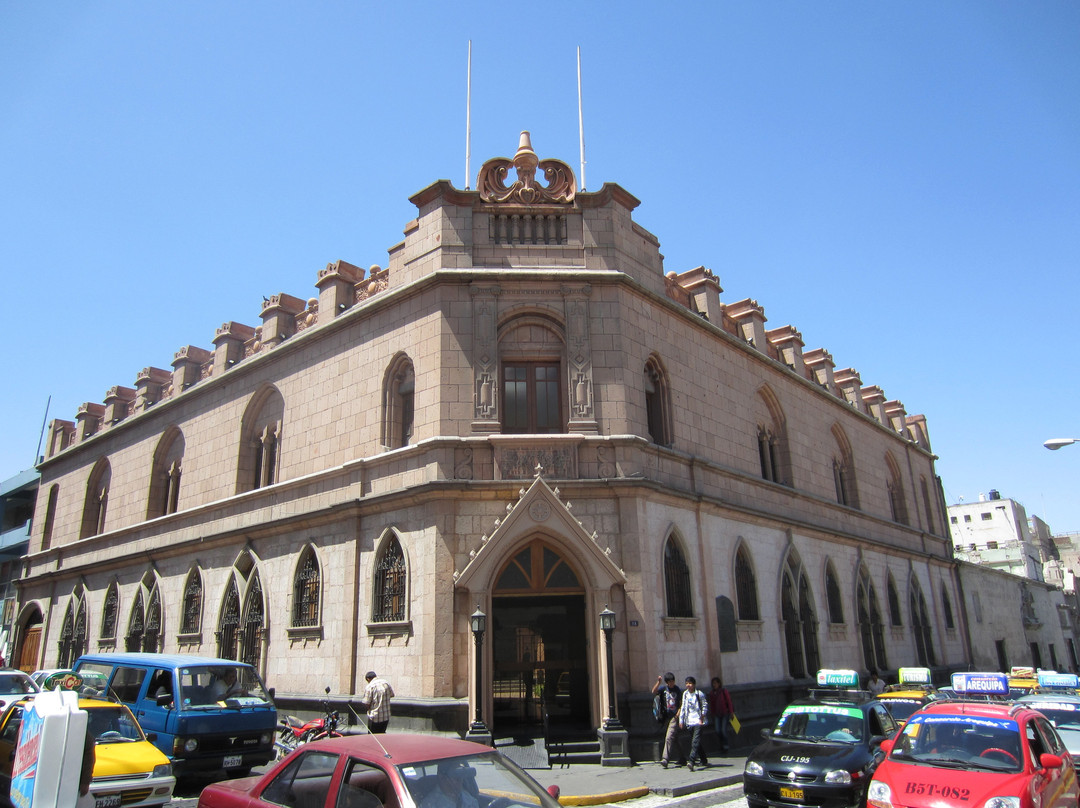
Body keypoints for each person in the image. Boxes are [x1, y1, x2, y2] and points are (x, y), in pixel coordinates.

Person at [651, 672, 685, 768]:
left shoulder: (677, 689)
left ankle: (665, 759)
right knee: (675, 738)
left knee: (669, 737)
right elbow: (654, 691)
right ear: (667, 682)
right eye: (669, 682)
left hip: (674, 717)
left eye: (673, 681)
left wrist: (678, 714)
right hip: (666, 717)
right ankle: (682, 758)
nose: (671, 683)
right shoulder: (664, 689)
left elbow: (680, 703)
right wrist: (658, 682)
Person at [678, 676, 709, 771]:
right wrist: (681, 720)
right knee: (696, 741)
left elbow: (704, 706)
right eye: (687, 683)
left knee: (694, 742)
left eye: (690, 683)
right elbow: (683, 707)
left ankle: (691, 761)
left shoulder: (699, 694)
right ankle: (704, 759)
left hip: (698, 721)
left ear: (694, 684)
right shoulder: (685, 694)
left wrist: (702, 717)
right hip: (689, 721)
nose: (688, 685)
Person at [707, 676, 734, 753]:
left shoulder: (723, 691)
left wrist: (731, 712)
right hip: (716, 714)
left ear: (719, 684)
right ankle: (722, 744)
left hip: (725, 713)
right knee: (718, 730)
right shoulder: (712, 693)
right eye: (713, 683)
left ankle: (725, 745)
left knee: (723, 730)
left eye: (715, 683)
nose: (714, 685)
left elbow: (729, 702)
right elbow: (712, 704)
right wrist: (712, 713)